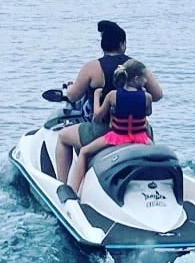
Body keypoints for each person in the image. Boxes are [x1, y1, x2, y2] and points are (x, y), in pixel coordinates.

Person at [55, 21, 163, 185]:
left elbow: (74, 95)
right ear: (123, 44)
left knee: (63, 137)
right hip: (140, 131)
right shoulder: (137, 68)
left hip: (104, 131)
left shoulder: (92, 67)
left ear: (103, 45)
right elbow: (157, 95)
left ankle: (61, 187)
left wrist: (70, 88)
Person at [61, 60, 154, 197]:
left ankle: (73, 192)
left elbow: (98, 115)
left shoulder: (113, 96)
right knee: (155, 154)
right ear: (136, 79)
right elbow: (148, 113)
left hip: (117, 138)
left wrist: (97, 95)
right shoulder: (147, 97)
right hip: (141, 138)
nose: (146, 80)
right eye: (144, 77)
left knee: (84, 152)